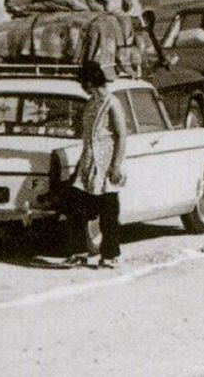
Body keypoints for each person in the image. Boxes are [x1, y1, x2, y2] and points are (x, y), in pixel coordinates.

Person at [62, 63, 128, 269]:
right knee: (76, 206)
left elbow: (121, 136)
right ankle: (79, 251)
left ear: (90, 82)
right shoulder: (91, 103)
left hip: (106, 163)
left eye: (84, 83)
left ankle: (110, 255)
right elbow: (87, 138)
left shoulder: (112, 103)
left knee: (108, 213)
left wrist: (115, 166)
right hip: (88, 164)